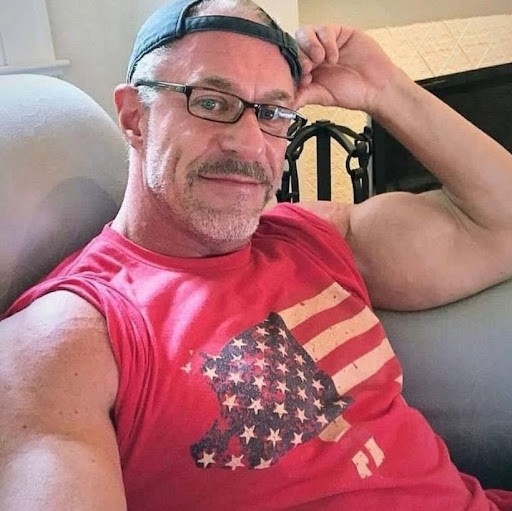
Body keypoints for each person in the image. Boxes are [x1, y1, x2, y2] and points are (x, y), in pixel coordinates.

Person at [1, 0, 512, 509]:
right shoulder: (70, 337)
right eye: (211, 102)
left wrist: (386, 90)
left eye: (271, 113)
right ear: (135, 117)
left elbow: (502, 221)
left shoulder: (310, 237)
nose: (248, 144)